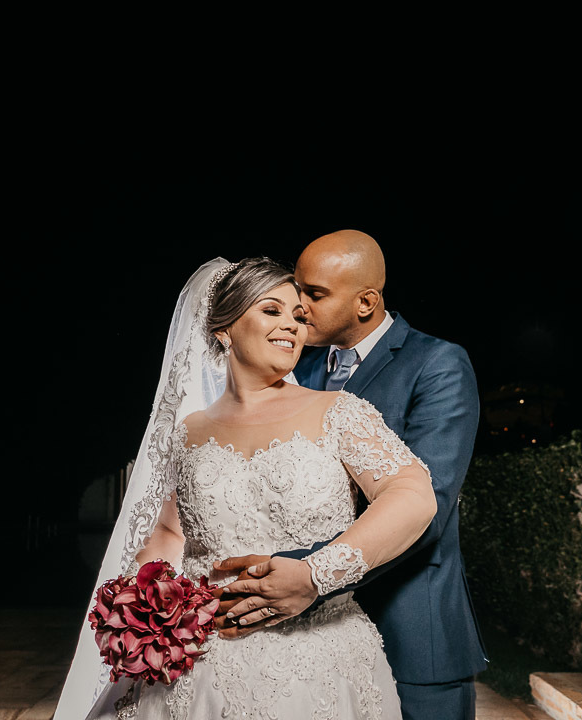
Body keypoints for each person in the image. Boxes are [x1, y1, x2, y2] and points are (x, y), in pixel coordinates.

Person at [55, 256, 437, 719]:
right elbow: (172, 533)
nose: (292, 325)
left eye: (299, 315)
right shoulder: (187, 431)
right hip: (196, 663)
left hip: (316, 659)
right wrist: (143, 609)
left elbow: (412, 495)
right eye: (271, 310)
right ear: (224, 329)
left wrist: (315, 573)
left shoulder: (339, 411)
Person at [213, 231, 488, 720]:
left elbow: (431, 508)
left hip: (410, 628)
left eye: (315, 294)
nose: (299, 305)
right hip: (306, 642)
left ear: (366, 302)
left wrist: (303, 572)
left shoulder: (437, 364)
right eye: (297, 289)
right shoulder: (294, 366)